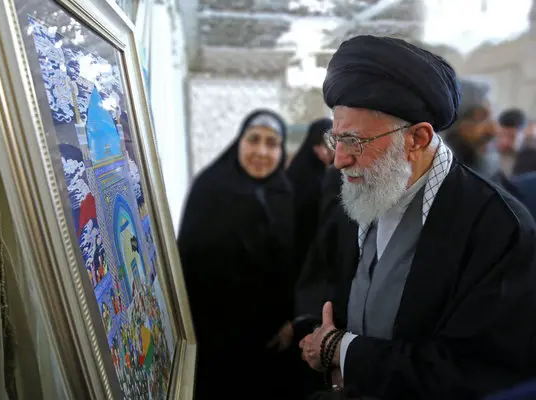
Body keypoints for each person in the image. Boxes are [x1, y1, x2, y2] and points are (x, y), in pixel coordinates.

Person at [296, 35, 536, 400]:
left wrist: (343, 351)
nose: (339, 159)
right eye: (336, 139)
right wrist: (313, 329)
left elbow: (478, 371)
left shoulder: (498, 228)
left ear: (417, 139)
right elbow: (325, 280)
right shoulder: (358, 188)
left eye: (355, 141)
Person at [177, 109, 298, 399]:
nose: (261, 151)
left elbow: (289, 265)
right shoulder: (210, 190)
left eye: (272, 143)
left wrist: (288, 319)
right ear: (238, 143)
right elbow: (190, 262)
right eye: (253, 139)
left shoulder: (282, 192)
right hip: (214, 333)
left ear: (281, 151)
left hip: (270, 337)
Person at [287, 118, 334, 270]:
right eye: (321, 144)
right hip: (300, 243)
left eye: (331, 144)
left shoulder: (338, 170)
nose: (326, 150)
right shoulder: (300, 171)